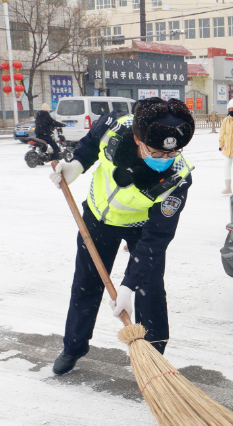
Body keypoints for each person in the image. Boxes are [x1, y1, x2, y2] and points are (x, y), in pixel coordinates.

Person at [48, 97, 196, 374]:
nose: (165, 160)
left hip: (142, 229)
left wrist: (128, 285)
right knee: (86, 284)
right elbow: (91, 143)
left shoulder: (177, 178)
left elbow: (158, 237)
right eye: (157, 152)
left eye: (172, 153)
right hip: (97, 219)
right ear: (139, 140)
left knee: (149, 287)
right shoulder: (114, 128)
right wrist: (77, 165)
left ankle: (153, 356)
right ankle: (74, 346)